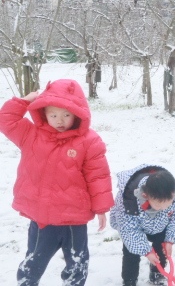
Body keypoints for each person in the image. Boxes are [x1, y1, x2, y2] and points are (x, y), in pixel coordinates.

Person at [0, 79, 114, 286]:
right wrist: (24, 101)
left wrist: (101, 208)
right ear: (43, 113)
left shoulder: (89, 141)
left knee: (77, 262)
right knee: (34, 260)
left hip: (74, 219)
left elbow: (97, 176)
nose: (59, 120)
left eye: (66, 115)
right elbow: (6, 120)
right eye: (53, 115)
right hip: (42, 218)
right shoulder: (31, 135)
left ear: (78, 114)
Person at [109, 164, 175, 286]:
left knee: (161, 249)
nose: (164, 208)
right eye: (159, 206)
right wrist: (146, 251)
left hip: (161, 224)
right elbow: (128, 230)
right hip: (136, 224)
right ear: (146, 196)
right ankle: (129, 279)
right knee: (131, 253)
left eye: (167, 205)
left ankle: (157, 273)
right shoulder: (128, 201)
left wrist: (170, 239)